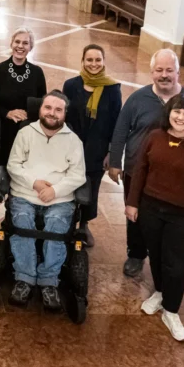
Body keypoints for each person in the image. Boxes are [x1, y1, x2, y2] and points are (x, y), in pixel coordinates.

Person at [110, 49, 184, 278]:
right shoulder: (137, 98)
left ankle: (165, 258)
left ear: (178, 72)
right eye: (159, 70)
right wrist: (115, 161)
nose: (164, 75)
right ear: (151, 73)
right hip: (137, 170)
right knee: (134, 214)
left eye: (169, 70)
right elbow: (120, 129)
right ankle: (136, 253)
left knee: (169, 220)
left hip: (177, 176)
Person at [124, 93, 184, 342]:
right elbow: (140, 171)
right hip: (151, 209)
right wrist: (132, 203)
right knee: (155, 255)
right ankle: (160, 292)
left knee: (176, 264)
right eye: (177, 111)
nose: (181, 117)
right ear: (169, 113)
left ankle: (172, 310)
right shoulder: (155, 137)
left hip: (183, 216)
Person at [6, 92, 86, 310]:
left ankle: (49, 281)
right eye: (48, 108)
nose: (52, 113)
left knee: (57, 228)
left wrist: (55, 191)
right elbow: (13, 165)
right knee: (22, 222)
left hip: (59, 198)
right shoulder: (25, 133)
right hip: (25, 193)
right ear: (40, 110)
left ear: (65, 113)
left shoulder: (73, 140)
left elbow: (78, 175)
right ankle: (25, 278)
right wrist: (35, 184)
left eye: (58, 110)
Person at [0, 28, 47, 234]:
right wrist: (7, 113)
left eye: (25, 43)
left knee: (21, 175)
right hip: (3, 132)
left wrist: (28, 114)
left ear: (31, 47)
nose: (21, 46)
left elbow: (42, 104)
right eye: (17, 42)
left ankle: (15, 214)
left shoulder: (37, 73)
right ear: (11, 44)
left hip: (26, 133)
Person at [61, 44, 122, 247]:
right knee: (69, 184)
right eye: (90, 60)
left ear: (103, 61)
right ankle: (66, 221)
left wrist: (111, 152)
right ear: (83, 61)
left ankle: (84, 225)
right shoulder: (71, 85)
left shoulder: (113, 89)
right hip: (71, 146)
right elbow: (64, 116)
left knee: (91, 187)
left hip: (97, 150)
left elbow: (116, 122)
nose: (94, 64)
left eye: (98, 60)